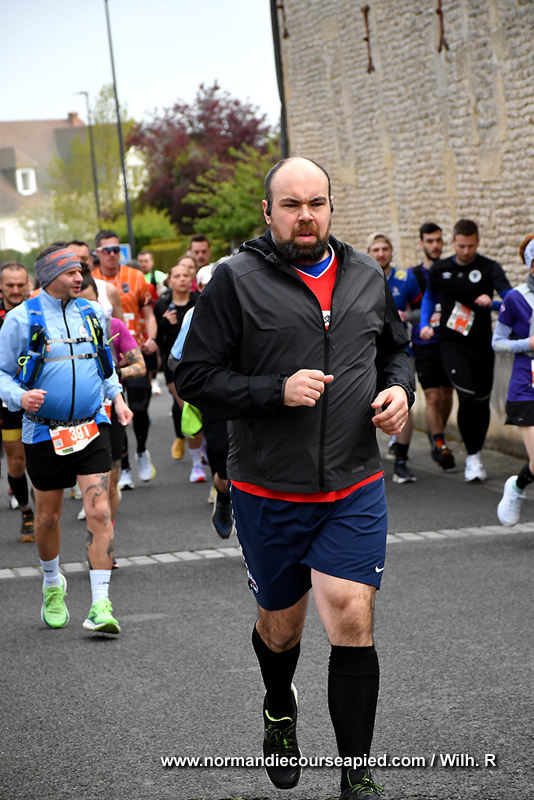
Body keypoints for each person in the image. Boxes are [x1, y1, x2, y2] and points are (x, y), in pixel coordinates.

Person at [176, 156, 414, 799]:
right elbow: (193, 377)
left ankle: (356, 775)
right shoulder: (234, 280)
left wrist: (400, 391)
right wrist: (273, 390)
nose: (305, 216)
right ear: (268, 211)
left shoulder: (366, 275)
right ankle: (279, 705)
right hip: (269, 489)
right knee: (282, 629)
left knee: (351, 616)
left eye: (316, 203)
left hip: (353, 483)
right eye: (291, 205)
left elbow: (394, 349)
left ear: (331, 207)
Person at [0, 246, 133, 633]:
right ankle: (52, 583)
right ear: (48, 276)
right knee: (48, 518)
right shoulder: (21, 319)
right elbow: (2, 373)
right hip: (44, 430)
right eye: (71, 272)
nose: (80, 278)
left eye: (80, 271)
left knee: (100, 511)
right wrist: (19, 397)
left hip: (92, 426)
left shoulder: (92, 312)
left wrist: (117, 399)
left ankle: (100, 604)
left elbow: (105, 364)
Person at [420, 219, 512, 481]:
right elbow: (429, 297)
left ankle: (476, 453)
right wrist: (425, 324)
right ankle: (472, 458)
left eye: (471, 246)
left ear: (478, 242)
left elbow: (511, 299)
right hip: (451, 343)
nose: (466, 251)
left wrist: (493, 303)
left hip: (482, 344)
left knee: (481, 402)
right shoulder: (441, 269)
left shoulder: (489, 267)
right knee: (467, 397)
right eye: (461, 246)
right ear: (453, 243)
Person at [76, 274, 145, 535]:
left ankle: (106, 534)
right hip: (74, 412)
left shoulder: (113, 325)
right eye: (78, 303)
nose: (85, 309)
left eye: (90, 302)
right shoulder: (60, 329)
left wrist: (114, 372)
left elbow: (140, 366)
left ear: (98, 299)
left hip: (110, 407)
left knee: (111, 477)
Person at [92, 230, 158, 486]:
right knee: (117, 412)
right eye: (107, 250)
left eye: (116, 250)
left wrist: (151, 338)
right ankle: (125, 465)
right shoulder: (90, 281)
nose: (112, 254)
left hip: (134, 349)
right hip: (108, 358)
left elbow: (148, 314)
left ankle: (141, 450)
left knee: (139, 408)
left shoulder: (136, 276)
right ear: (97, 253)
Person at [367, 232, 421, 484]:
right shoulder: (360, 277)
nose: (381, 254)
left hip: (398, 351)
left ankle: (401, 461)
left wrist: (407, 316)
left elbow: (423, 309)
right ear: (368, 252)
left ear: (391, 251)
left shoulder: (405, 278)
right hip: (367, 354)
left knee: (403, 399)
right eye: (376, 249)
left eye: (384, 249)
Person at [493, 235, 534, 525]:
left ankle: (519, 484)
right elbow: (498, 342)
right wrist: (527, 343)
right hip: (526, 387)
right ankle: (516, 488)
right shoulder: (516, 298)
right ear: (531, 265)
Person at [410, 223, 455, 469]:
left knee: (447, 395)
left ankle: (436, 432)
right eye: (429, 241)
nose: (435, 245)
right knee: (433, 396)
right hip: (423, 343)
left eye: (438, 240)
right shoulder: (414, 276)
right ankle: (440, 444)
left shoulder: (450, 271)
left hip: (449, 342)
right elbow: (403, 309)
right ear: (421, 243)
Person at [0, 261, 35, 540]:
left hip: (38, 397)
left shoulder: (38, 313)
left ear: (28, 285)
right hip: (6, 401)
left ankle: (47, 507)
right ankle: (26, 511)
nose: (15, 290)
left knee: (43, 458)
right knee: (16, 462)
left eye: (20, 284)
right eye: (9, 285)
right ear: (1, 286)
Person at [154, 259, 198, 462]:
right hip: (172, 365)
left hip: (197, 363)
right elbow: (157, 339)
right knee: (187, 408)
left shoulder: (200, 300)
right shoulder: (162, 304)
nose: (182, 279)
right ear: (169, 281)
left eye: (185, 276)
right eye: (177, 276)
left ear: (191, 279)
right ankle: (196, 457)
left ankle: (199, 448)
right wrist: (164, 323)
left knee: (199, 409)